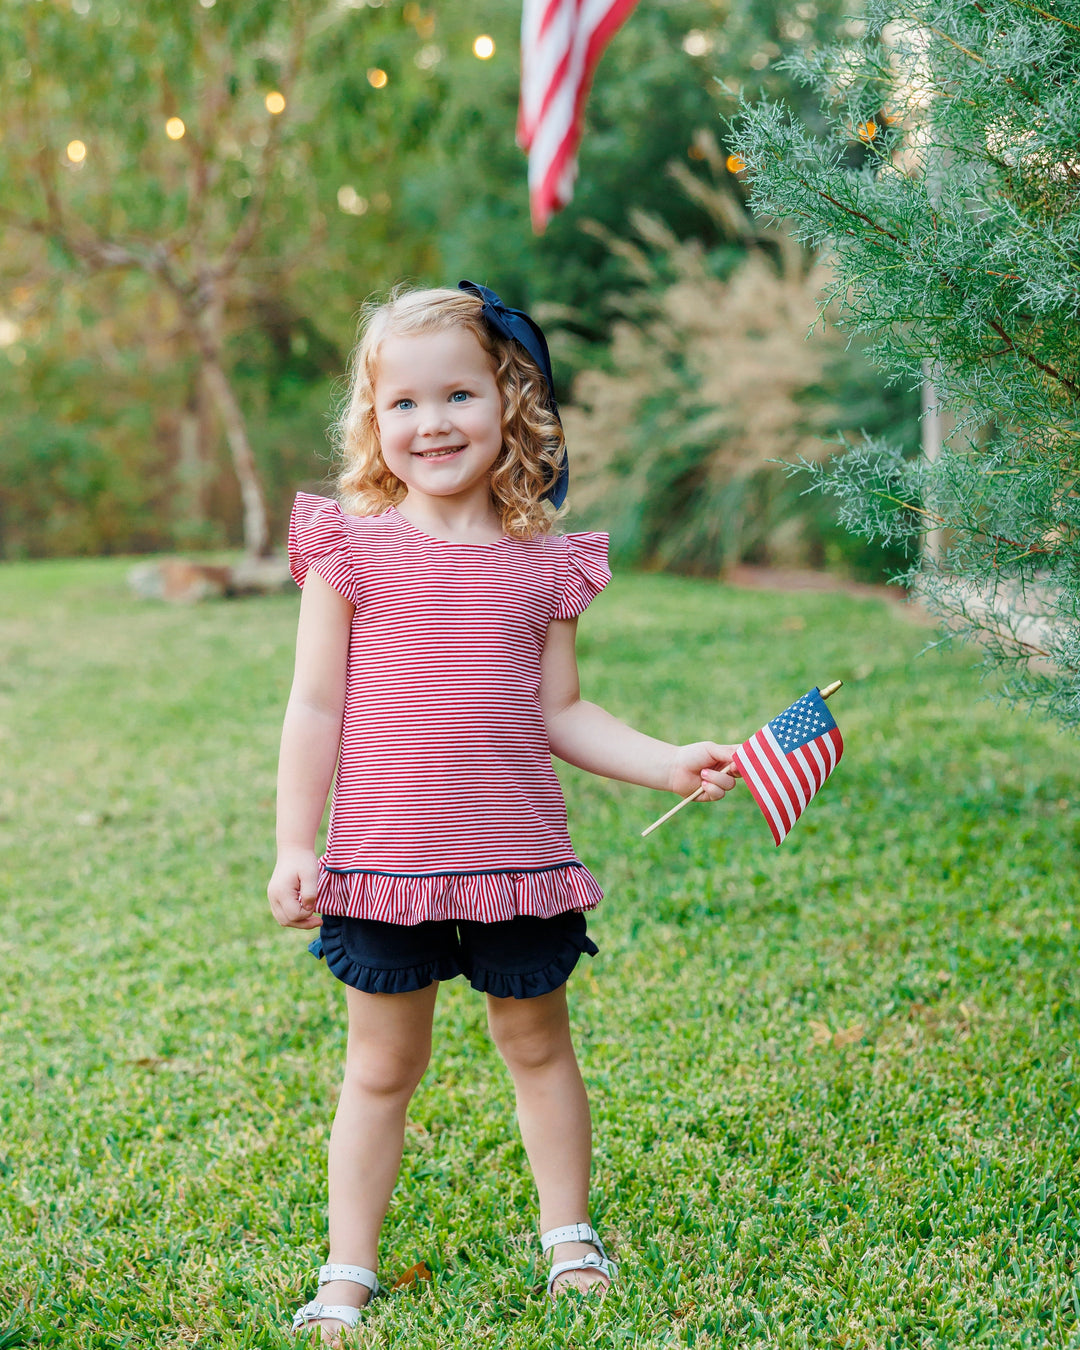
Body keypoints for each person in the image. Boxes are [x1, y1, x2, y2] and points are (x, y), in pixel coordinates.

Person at [268, 281, 739, 1342]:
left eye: (460, 396)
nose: (433, 424)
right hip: (384, 865)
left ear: (509, 400)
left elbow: (562, 711)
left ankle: (569, 1237)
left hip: (518, 859)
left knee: (538, 1049)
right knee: (380, 1069)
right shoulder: (350, 551)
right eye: (405, 404)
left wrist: (669, 763)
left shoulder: (543, 561)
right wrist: (297, 842)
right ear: (373, 419)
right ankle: (349, 1267)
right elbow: (314, 706)